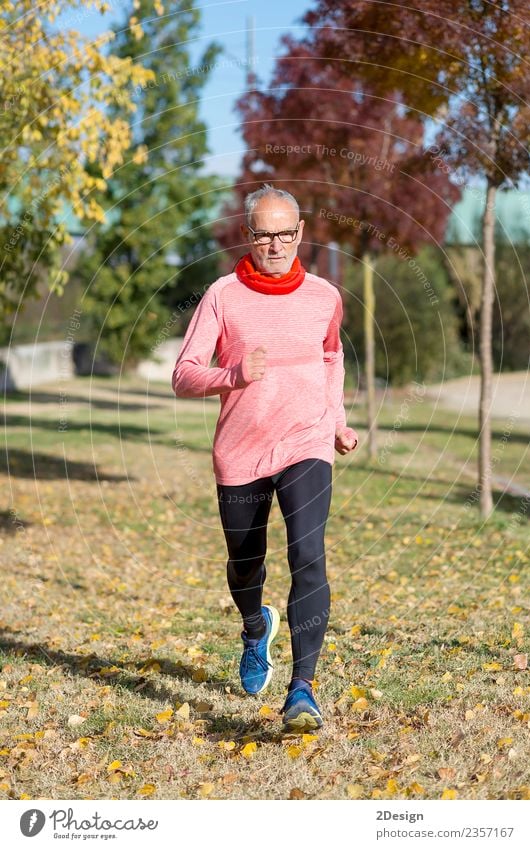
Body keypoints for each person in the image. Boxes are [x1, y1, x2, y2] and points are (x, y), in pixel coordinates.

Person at [172, 184, 358, 731]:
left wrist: (338, 420)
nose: (274, 244)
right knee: (245, 563)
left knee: (308, 553)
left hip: (307, 441)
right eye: (262, 234)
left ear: (299, 234)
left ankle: (303, 688)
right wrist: (231, 375)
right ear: (247, 236)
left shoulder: (325, 296)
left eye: (284, 233)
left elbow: (331, 358)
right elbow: (183, 373)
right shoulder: (222, 295)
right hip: (242, 451)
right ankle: (256, 627)